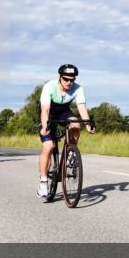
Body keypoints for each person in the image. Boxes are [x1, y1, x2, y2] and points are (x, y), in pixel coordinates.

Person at [37, 64, 95, 199]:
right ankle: (43, 182)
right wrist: (45, 126)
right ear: (60, 77)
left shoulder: (78, 88)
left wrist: (87, 124)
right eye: (66, 79)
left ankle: (70, 152)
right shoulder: (49, 87)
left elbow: (82, 107)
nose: (69, 82)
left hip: (64, 112)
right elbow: (45, 109)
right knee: (48, 146)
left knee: (75, 124)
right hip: (48, 114)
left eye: (72, 79)